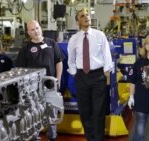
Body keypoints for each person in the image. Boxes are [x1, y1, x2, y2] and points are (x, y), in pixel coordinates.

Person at [67, 8, 113, 141]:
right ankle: (90, 138)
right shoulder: (74, 39)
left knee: (98, 112)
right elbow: (71, 59)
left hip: (98, 77)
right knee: (85, 111)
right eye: (82, 16)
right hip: (82, 77)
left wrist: (106, 73)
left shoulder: (100, 35)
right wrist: (76, 74)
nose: (86, 17)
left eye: (87, 15)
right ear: (77, 22)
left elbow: (107, 56)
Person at [15, 20, 64, 141]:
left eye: (37, 28)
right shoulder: (25, 48)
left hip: (50, 84)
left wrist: (58, 79)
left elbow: (59, 62)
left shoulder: (51, 43)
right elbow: (20, 69)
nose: (35, 31)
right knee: (33, 113)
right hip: (32, 87)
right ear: (28, 32)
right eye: (32, 29)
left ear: (40, 28)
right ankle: (34, 137)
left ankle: (52, 136)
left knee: (51, 111)